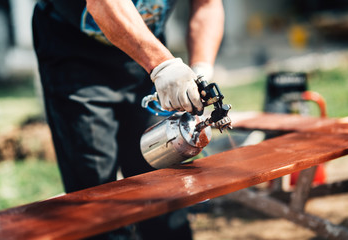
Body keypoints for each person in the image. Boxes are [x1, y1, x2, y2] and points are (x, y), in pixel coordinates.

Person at [32, 0, 224, 239]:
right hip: (74, 53)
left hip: (143, 52)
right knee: (95, 191)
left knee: (162, 180)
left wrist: (201, 70)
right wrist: (162, 65)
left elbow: (207, 5)